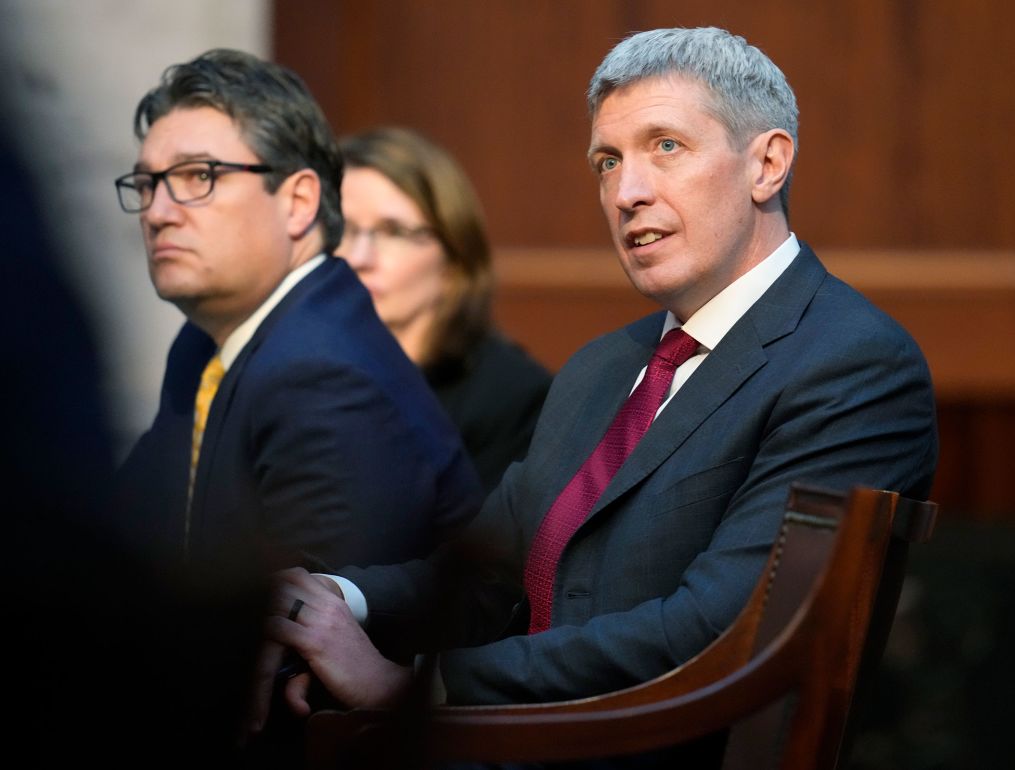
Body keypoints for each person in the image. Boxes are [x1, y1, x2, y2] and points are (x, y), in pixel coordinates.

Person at [251, 26, 939, 766]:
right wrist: (326, 604)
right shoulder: (602, 366)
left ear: (766, 163)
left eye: (665, 147)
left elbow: (714, 629)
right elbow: (487, 575)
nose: (626, 192)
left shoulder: (852, 362)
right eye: (607, 162)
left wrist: (416, 684)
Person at [110, 49, 482, 583]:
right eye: (147, 184)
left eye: (198, 176)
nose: (158, 213)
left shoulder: (323, 376)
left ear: (299, 201)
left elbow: (302, 640)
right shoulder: (203, 343)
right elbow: (130, 546)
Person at [337, 127, 551, 492]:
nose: (358, 257)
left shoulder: (513, 397)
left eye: (392, 231)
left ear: (453, 260)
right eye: (341, 228)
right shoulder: (294, 369)